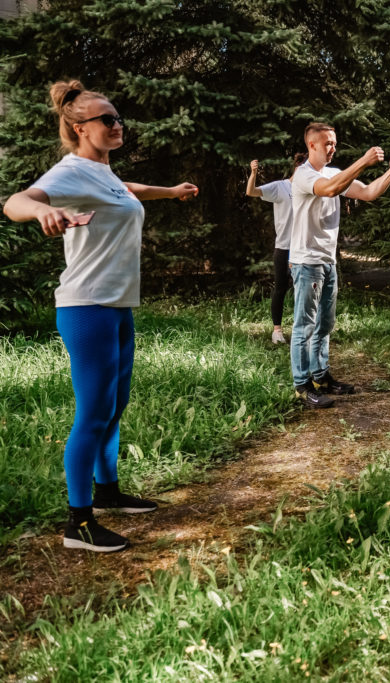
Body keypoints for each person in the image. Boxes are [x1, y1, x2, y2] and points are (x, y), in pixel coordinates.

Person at [2, 80, 199, 552]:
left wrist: (170, 192)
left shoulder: (102, 173)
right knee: (92, 413)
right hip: (86, 306)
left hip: (116, 305)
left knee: (115, 404)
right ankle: (78, 522)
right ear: (78, 128)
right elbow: (16, 202)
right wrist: (38, 213)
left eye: (118, 118)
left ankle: (107, 491)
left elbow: (128, 189)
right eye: (106, 120)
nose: (117, 125)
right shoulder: (69, 171)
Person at [289, 122, 390, 408]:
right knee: (304, 326)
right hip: (307, 262)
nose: (333, 147)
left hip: (327, 261)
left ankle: (321, 377)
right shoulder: (303, 175)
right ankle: (302, 387)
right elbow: (329, 190)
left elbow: (366, 193)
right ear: (311, 145)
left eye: (334, 142)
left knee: (325, 324)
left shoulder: (333, 173)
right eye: (327, 143)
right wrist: (364, 161)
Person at [245, 154, 307, 344]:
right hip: (284, 247)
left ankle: (302, 330)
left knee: (303, 290)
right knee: (280, 287)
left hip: (302, 247)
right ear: (296, 168)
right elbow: (251, 192)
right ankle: (277, 330)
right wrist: (253, 173)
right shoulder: (280, 187)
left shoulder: (309, 189)